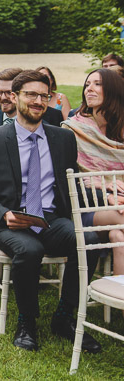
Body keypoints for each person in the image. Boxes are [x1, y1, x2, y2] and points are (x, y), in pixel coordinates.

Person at [0, 70, 101, 353]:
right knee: (29, 250)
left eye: (44, 95)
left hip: (51, 218)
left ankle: (65, 318)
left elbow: (71, 186)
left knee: (89, 241)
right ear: (15, 97)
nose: (39, 101)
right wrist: (4, 214)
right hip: (8, 221)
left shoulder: (63, 139)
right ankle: (26, 322)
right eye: (31, 94)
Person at [61, 69, 124, 277]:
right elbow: (68, 181)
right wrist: (106, 192)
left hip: (119, 206)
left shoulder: (121, 131)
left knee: (118, 236)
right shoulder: (73, 130)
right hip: (87, 208)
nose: (89, 88)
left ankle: (118, 302)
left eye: (97, 84)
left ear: (113, 90)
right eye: (87, 84)